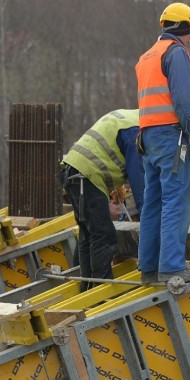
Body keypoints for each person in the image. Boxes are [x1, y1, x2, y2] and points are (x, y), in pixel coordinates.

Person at [135, 2, 190, 284]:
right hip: (172, 136)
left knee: (153, 202)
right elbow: (182, 100)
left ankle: (149, 268)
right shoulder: (176, 53)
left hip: (148, 137)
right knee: (177, 199)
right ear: (183, 28)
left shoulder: (147, 56)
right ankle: (173, 267)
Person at [60, 109, 145, 291]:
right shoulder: (138, 131)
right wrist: (148, 215)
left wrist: (116, 186)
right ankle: (102, 289)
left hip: (74, 170)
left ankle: (87, 287)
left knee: (88, 233)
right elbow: (139, 182)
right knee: (103, 235)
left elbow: (106, 152)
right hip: (87, 175)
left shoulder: (129, 119)